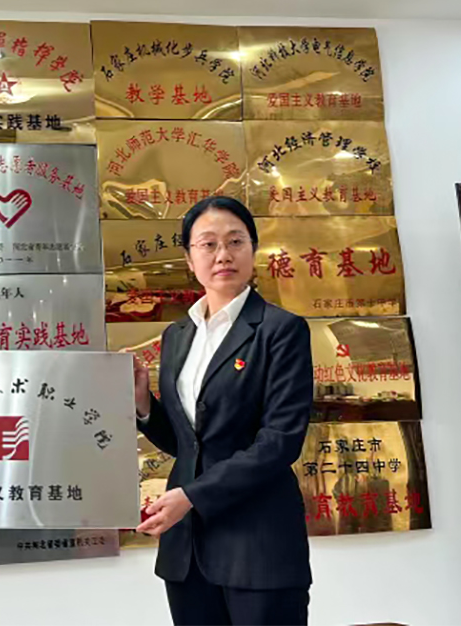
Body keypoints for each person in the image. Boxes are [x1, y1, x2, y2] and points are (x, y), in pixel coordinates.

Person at [134, 196, 313, 626]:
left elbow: (279, 442)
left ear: (253, 249)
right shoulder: (177, 335)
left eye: (235, 241)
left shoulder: (281, 330)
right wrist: (142, 403)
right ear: (189, 257)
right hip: (187, 551)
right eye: (208, 244)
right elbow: (187, 442)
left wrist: (192, 496)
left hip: (259, 543)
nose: (223, 255)